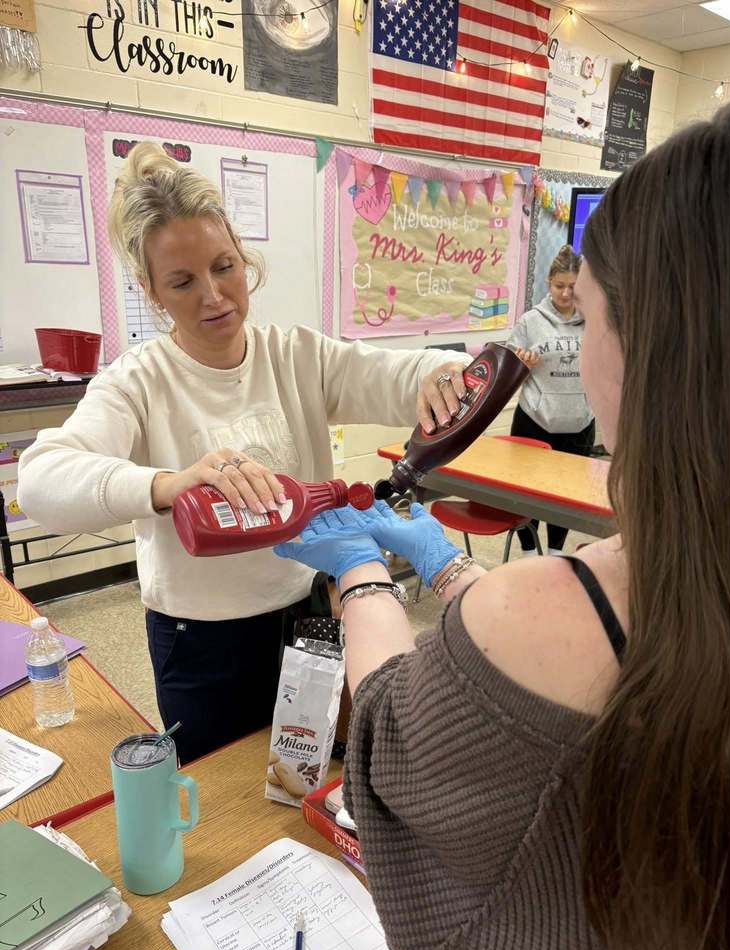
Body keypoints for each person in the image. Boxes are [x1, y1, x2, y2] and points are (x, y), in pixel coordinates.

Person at [275, 101, 730, 950]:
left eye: (597, 317)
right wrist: (458, 572)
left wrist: (363, 577)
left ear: (647, 344)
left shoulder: (542, 612)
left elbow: (387, 751)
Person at [16, 142, 470, 765]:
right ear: (152, 291)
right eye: (182, 281)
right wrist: (166, 485)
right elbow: (40, 480)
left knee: (307, 775)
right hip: (199, 642)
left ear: (242, 256)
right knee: (223, 794)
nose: (213, 296)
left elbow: (396, 374)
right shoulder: (138, 381)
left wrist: (448, 372)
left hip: (307, 611)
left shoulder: (294, 356)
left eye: (224, 267)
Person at [509, 243, 595, 554]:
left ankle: (557, 551)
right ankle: (530, 551)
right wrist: (521, 366)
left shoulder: (594, 320)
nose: (566, 294)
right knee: (527, 491)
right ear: (549, 283)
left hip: (579, 424)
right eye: (560, 286)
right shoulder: (530, 322)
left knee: (565, 494)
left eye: (573, 287)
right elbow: (507, 373)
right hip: (535, 421)